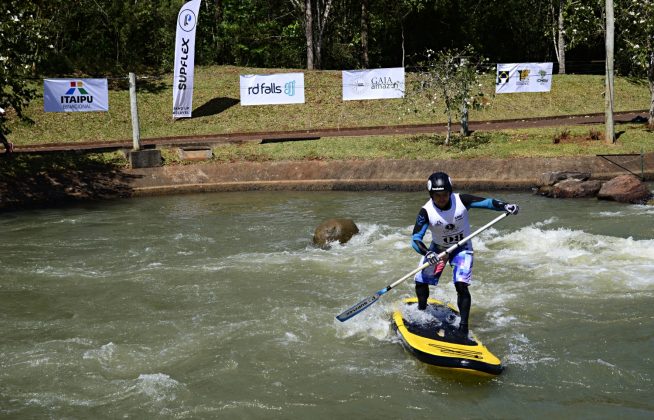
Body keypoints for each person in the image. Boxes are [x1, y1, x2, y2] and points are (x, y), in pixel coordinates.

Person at [411, 171, 519, 342]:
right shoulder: (426, 211)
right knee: (421, 281)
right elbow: (415, 239)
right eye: (437, 195)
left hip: (462, 249)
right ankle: (422, 314)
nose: (442, 198)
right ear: (431, 194)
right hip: (438, 250)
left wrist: (505, 206)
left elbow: (488, 203)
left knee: (461, 285)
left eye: (445, 194)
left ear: (450, 191)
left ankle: (463, 328)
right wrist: (427, 253)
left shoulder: (461, 200)